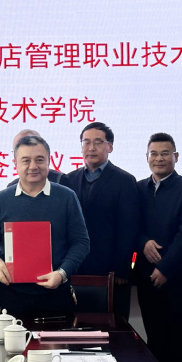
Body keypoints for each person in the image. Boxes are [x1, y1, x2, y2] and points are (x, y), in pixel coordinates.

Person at [0, 135, 90, 314]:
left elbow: (81, 242)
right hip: (13, 296)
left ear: (49, 161)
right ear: (15, 163)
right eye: (26, 160)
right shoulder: (1, 199)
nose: (33, 166)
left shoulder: (67, 197)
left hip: (57, 294)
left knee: (59, 334)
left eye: (39, 160)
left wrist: (62, 273)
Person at [134, 132, 182, 362]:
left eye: (165, 153)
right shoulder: (138, 188)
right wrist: (142, 243)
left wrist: (165, 268)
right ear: (146, 157)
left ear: (176, 156)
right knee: (155, 339)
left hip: (180, 278)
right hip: (146, 278)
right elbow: (130, 225)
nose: (159, 158)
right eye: (154, 153)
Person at [59, 122, 139, 318]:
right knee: (76, 326)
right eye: (86, 142)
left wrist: (121, 269)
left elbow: (128, 228)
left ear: (109, 147)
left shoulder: (125, 180)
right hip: (76, 268)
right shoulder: (68, 180)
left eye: (97, 142)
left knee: (112, 327)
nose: (91, 148)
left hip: (110, 271)